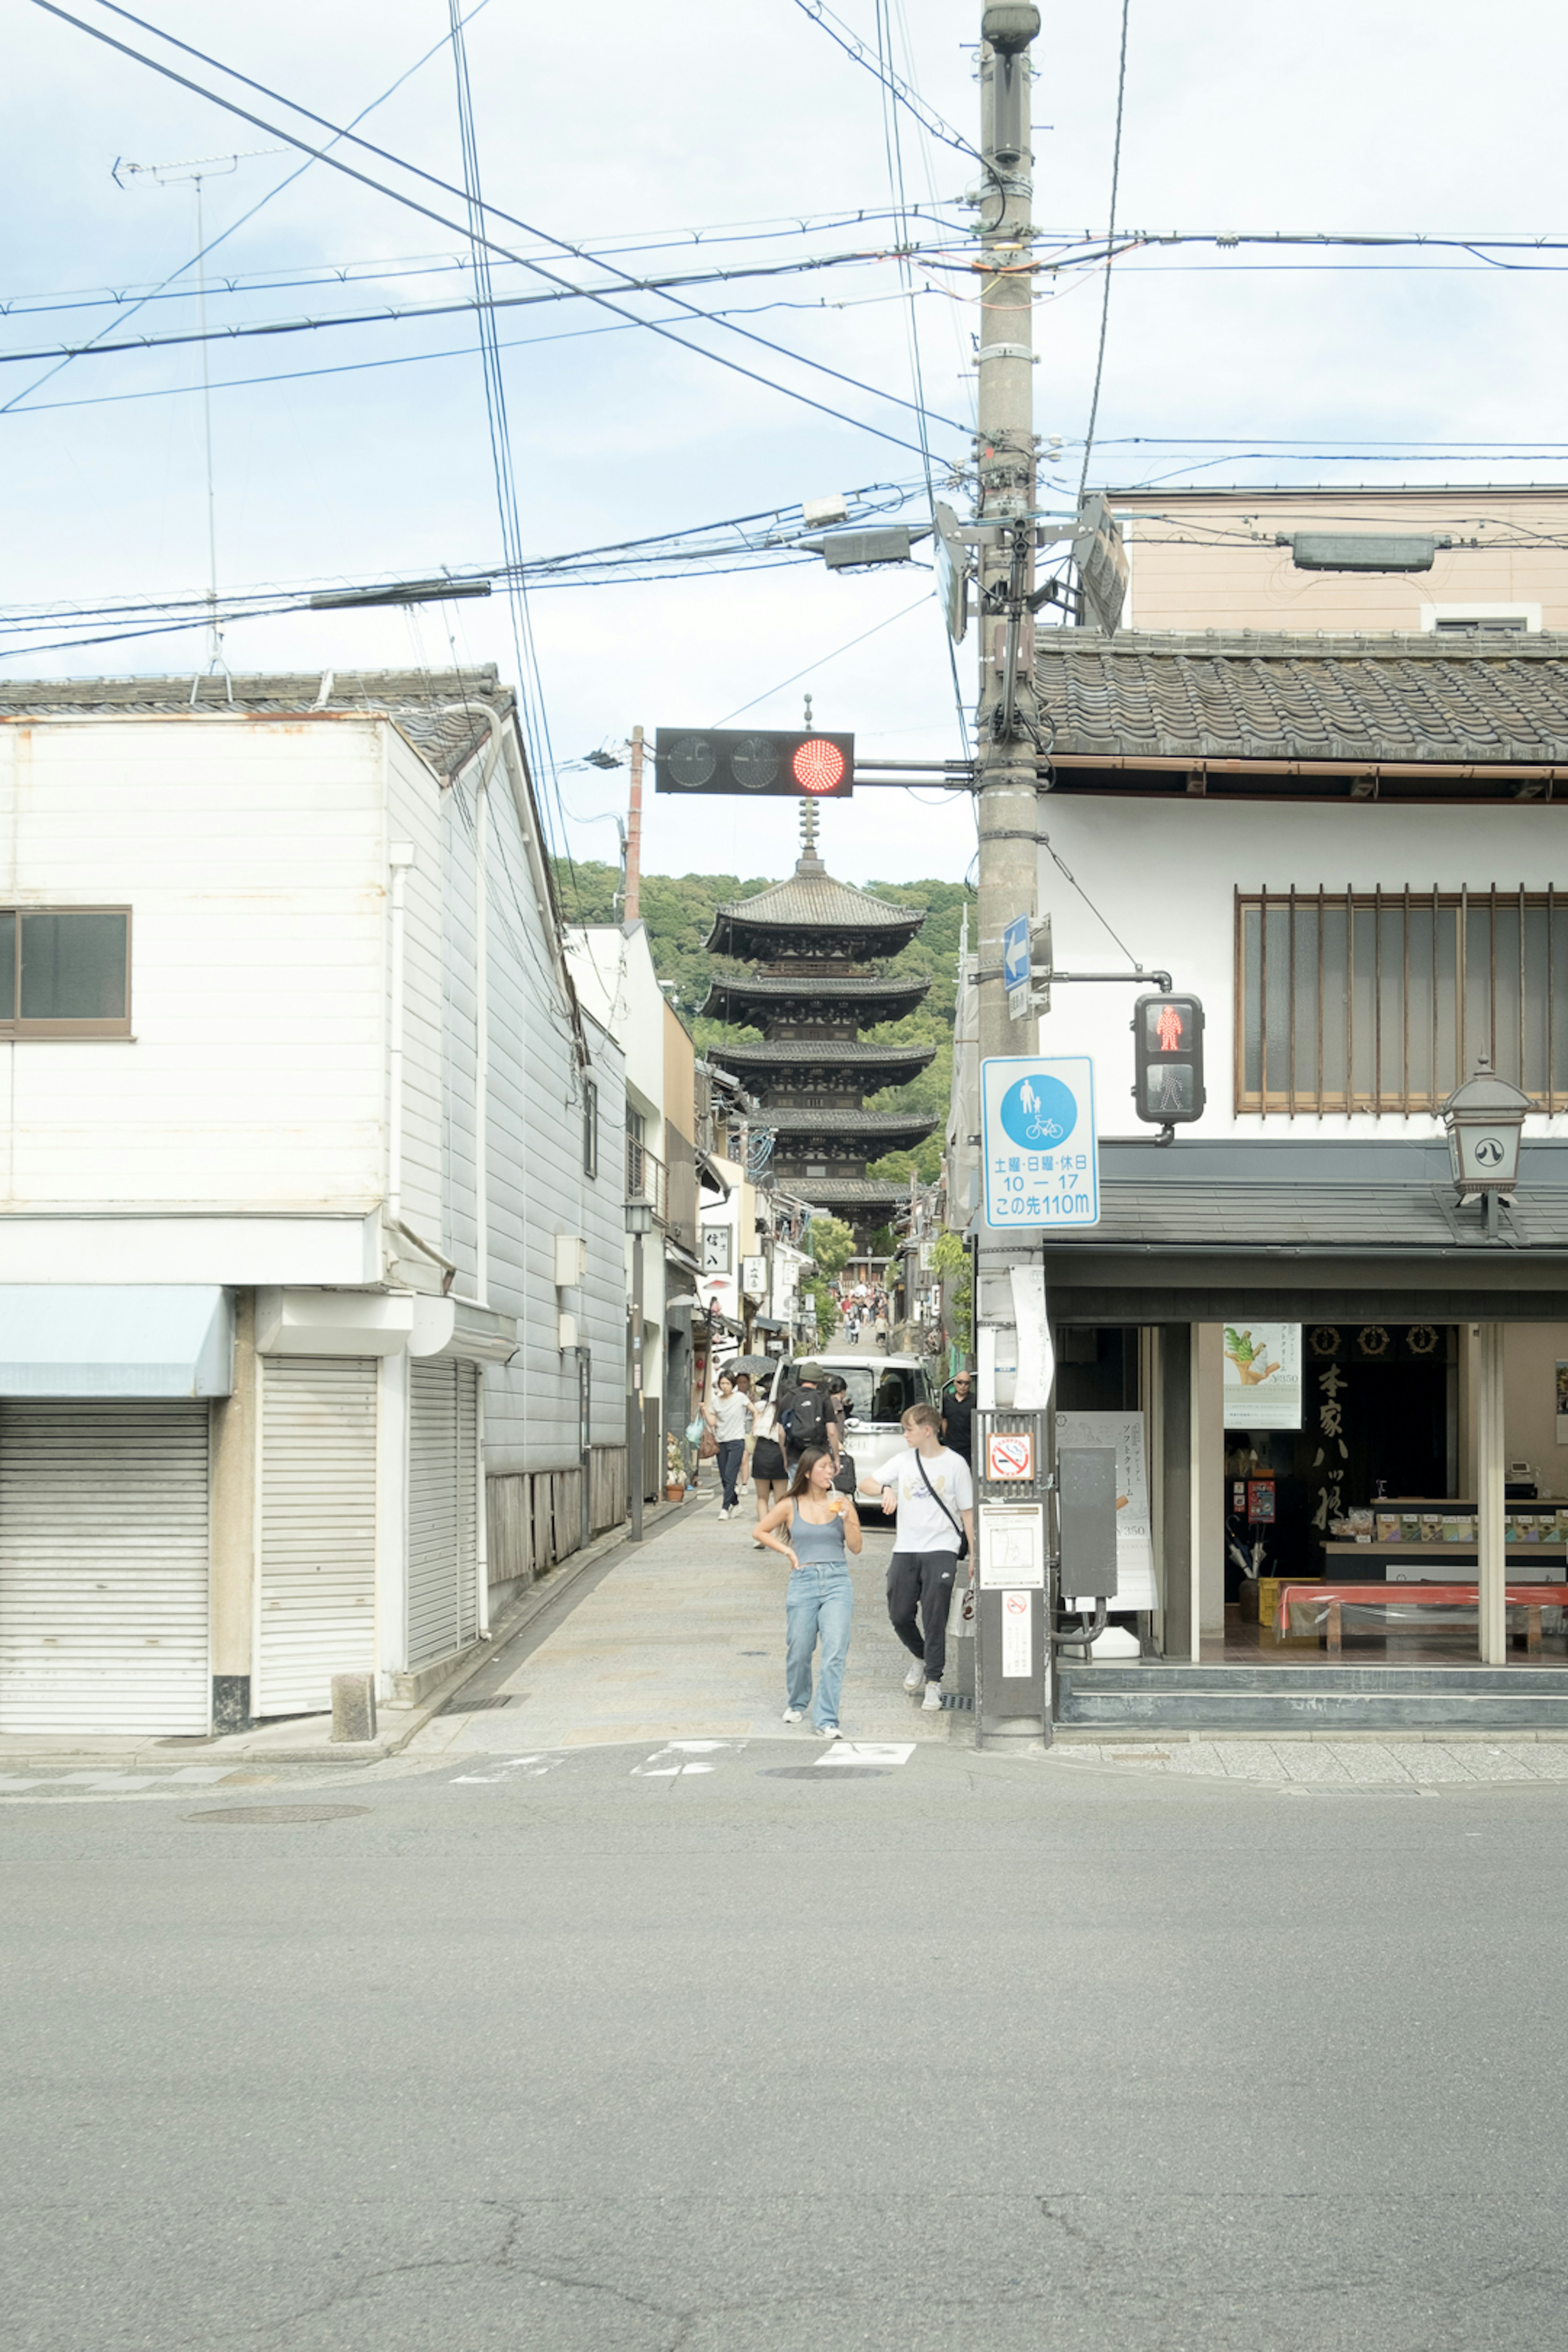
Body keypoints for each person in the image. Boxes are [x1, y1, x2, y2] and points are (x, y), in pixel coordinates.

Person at [862, 1401, 975, 1712]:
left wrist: (975, 1554)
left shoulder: (956, 1465)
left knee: (934, 1618)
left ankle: (934, 1683)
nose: (905, 1435)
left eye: (909, 1429)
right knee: (899, 1615)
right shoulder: (903, 1460)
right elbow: (866, 1484)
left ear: (928, 1431)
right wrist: (886, 1488)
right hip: (906, 1548)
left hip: (942, 1549)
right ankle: (922, 1657)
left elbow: (968, 1513)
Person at [757, 1445, 861, 1739]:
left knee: (835, 1651)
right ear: (807, 1472)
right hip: (803, 1580)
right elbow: (760, 1531)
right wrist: (788, 1551)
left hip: (838, 1580)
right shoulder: (791, 1505)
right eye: (824, 1467)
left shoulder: (842, 1503)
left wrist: (848, 1518)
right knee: (800, 1649)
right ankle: (797, 1701)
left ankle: (827, 1719)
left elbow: (856, 1547)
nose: (830, 1471)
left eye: (832, 1467)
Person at [748, 1370, 790, 1548]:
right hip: (779, 1452)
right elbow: (784, 1435)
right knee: (781, 1500)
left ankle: (763, 1535)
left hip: (761, 1451)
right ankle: (781, 1536)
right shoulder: (787, 1409)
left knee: (762, 1497)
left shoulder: (761, 1407)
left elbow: (754, 1429)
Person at [779, 1360, 842, 1476]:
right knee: (818, 1492)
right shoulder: (823, 1399)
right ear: (819, 1380)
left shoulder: (789, 1397)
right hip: (819, 1456)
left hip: (795, 1456)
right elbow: (832, 1432)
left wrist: (785, 1457)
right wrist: (836, 1458)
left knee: (799, 1492)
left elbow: (781, 1433)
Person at [703, 1371, 750, 1519]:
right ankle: (736, 1504)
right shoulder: (716, 1401)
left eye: (728, 1384)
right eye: (722, 1383)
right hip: (721, 1441)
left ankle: (725, 1508)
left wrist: (755, 1429)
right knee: (724, 1477)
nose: (725, 1387)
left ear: (733, 1385)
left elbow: (755, 1411)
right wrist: (704, 1410)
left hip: (737, 1440)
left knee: (730, 1475)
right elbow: (712, 1422)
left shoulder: (740, 1398)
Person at [940, 1370, 975, 1466]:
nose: (963, 1386)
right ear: (955, 1383)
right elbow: (944, 1419)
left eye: (966, 1383)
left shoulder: (975, 1401)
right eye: (960, 1382)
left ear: (970, 1385)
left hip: (969, 1446)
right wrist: (946, 1438)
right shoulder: (947, 1400)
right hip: (951, 1445)